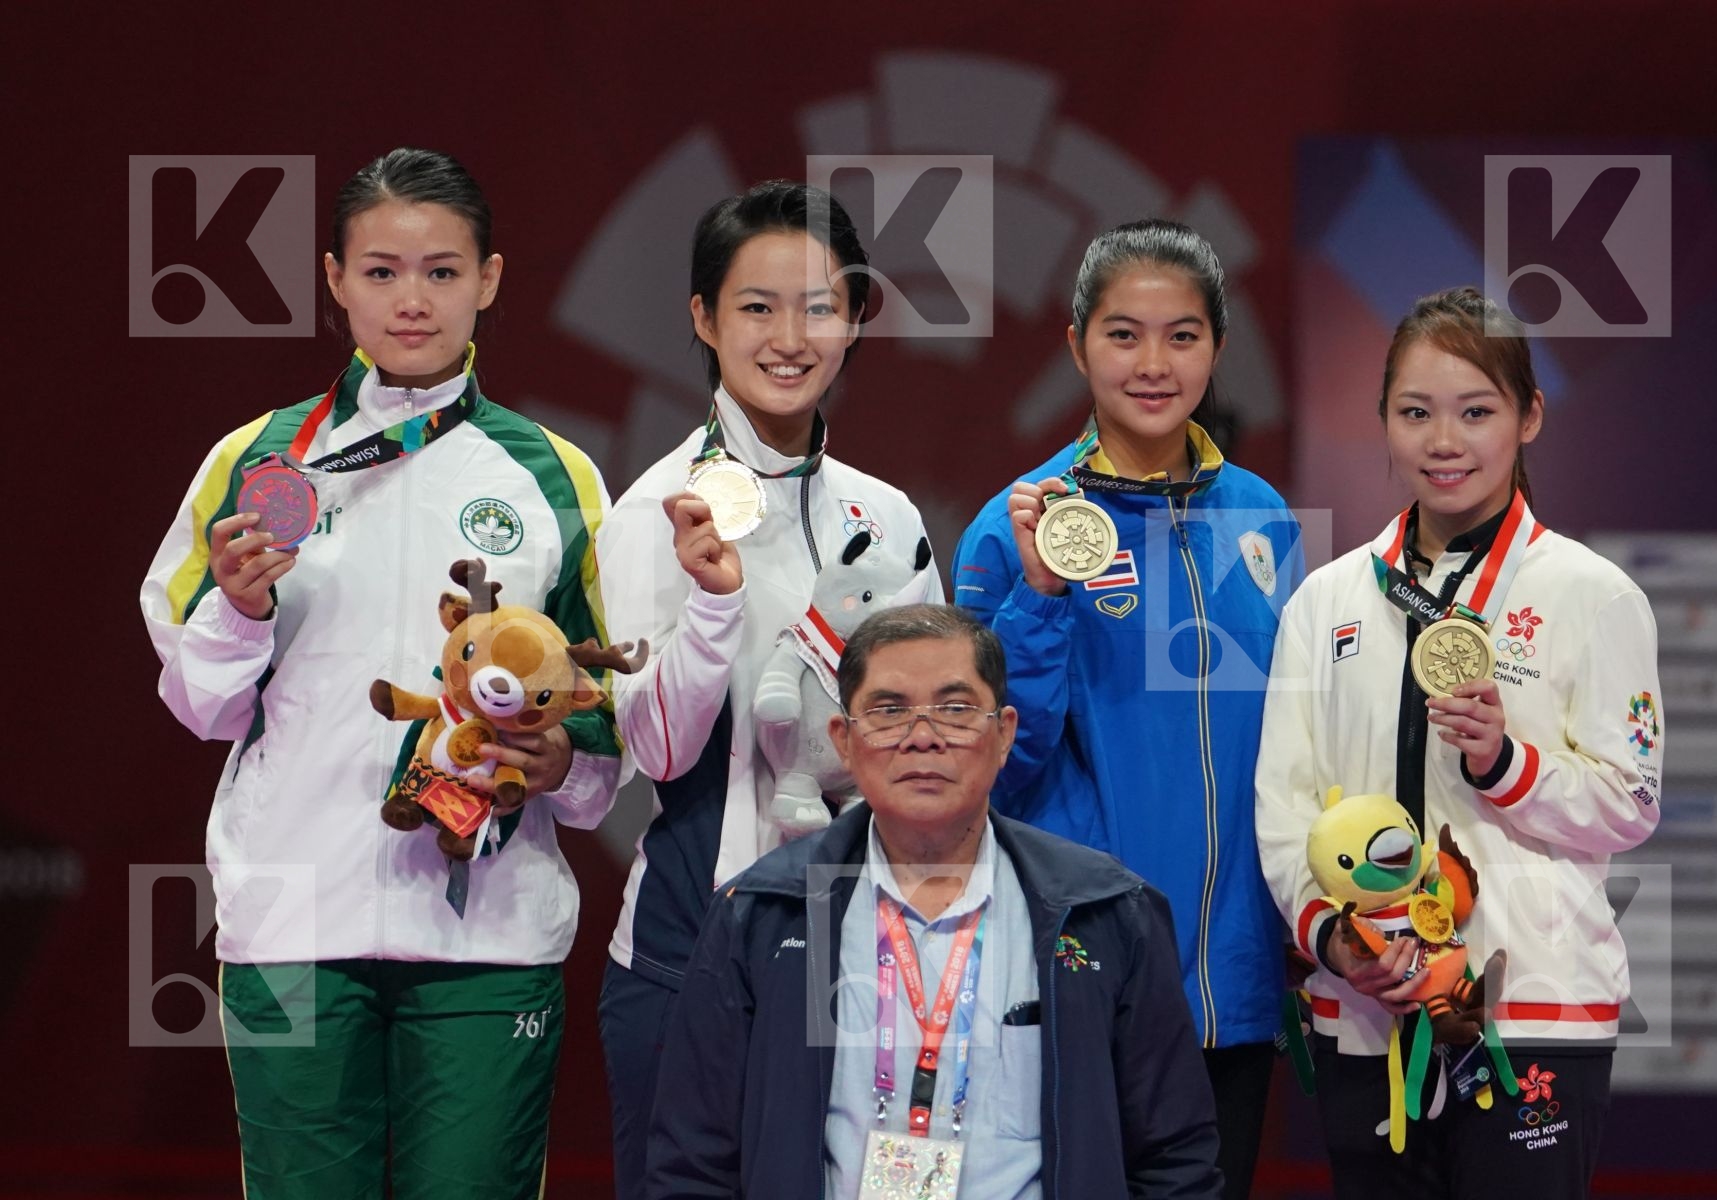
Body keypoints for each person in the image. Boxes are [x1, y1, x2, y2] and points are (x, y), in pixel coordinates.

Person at [141, 147, 623, 1199]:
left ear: (489, 281)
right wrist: (241, 602)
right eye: (383, 271)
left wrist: (559, 758)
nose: (414, 300)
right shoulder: (258, 460)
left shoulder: (557, 475)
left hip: (488, 925)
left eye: (443, 272)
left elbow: (602, 710)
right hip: (294, 911)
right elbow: (201, 705)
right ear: (333, 280)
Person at [1255, 287, 1663, 1198]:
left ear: (1529, 417)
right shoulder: (1327, 602)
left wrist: (1503, 762)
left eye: (1477, 411)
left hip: (1530, 1014)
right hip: (1364, 1009)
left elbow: (1632, 804)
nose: (1446, 440)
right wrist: (1337, 943)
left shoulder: (1590, 595)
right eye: (1417, 413)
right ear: (1384, 423)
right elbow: (1283, 808)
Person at [594, 180, 942, 1197]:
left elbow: (924, 744)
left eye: (820, 306)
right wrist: (712, 607)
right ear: (703, 318)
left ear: (854, 321)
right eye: (757, 306)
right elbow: (650, 752)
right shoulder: (653, 509)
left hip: (865, 945)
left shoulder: (886, 515)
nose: (790, 336)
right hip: (689, 943)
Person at [643, 603, 1223, 1198]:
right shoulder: (768, 912)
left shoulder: (1105, 913)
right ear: (843, 740)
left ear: (1003, 735)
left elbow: (1174, 1157)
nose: (922, 737)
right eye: (889, 711)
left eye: (955, 709)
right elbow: (693, 1158)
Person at [952, 218, 1302, 1197]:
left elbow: (1288, 750)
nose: (1154, 363)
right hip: (1080, 966)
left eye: (1182, 335)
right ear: (1076, 345)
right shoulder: (1013, 524)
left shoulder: (1265, 518)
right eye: (1123, 334)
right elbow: (989, 768)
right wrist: (1042, 598)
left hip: (1233, 981)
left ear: (1217, 350)